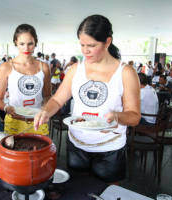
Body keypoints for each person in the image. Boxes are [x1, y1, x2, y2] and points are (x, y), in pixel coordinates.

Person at [34, 15, 140, 184]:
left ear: (107, 42)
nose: (85, 51)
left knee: (106, 193)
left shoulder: (125, 72)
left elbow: (134, 116)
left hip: (109, 148)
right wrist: (46, 111)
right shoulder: (76, 69)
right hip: (77, 145)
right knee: (76, 191)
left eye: (91, 45)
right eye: (82, 45)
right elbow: (57, 100)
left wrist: (117, 117)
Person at [0, 24, 51, 135]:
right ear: (15, 42)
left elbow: (47, 95)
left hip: (38, 121)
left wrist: (45, 109)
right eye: (22, 44)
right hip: (15, 122)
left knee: (40, 152)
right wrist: (6, 108)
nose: (26, 48)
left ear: (35, 43)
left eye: (30, 44)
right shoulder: (6, 67)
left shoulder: (43, 67)